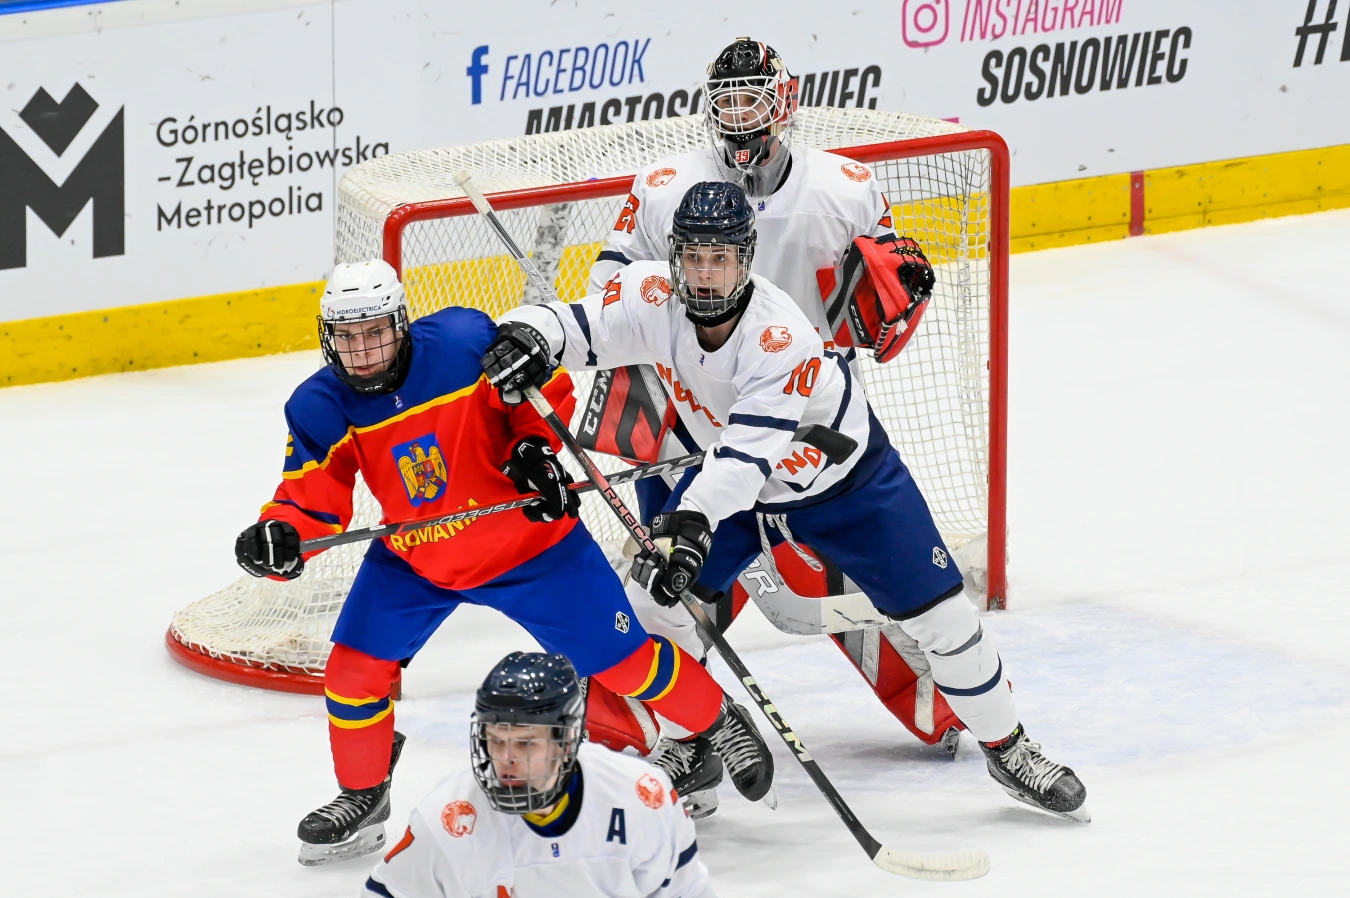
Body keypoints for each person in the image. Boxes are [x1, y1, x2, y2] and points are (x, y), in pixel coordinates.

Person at [483, 182, 1089, 823]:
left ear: (746, 259)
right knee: (653, 609)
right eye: (693, 257)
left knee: (945, 620)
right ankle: (692, 746)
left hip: (843, 485)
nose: (706, 273)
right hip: (735, 487)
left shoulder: (779, 337)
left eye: (721, 259)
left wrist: (688, 523)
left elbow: (746, 458)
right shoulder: (653, 296)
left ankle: (1009, 748)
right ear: (675, 257)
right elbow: (578, 327)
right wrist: (528, 334)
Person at [232, 259, 770, 866]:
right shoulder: (319, 404)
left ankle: (716, 722)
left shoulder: (462, 343)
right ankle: (364, 794)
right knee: (353, 673)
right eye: (347, 337)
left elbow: (541, 392)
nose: (362, 351)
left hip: (531, 547)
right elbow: (309, 497)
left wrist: (534, 450)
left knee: (623, 664)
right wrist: (280, 533)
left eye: (374, 332)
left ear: (401, 324)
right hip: (417, 559)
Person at [586, 35, 968, 776]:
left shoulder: (846, 188)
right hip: (694, 417)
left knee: (838, 571)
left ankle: (942, 703)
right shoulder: (665, 188)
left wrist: (896, 295)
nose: (738, 115)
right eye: (725, 101)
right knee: (671, 589)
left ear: (784, 102)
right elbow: (611, 290)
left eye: (750, 99)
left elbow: (884, 297)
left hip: (806, 423)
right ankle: (666, 741)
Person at [364, 652, 715, 898]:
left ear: (567, 742)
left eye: (525, 743)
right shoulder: (448, 820)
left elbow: (686, 892)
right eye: (496, 740)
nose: (505, 759)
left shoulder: (639, 798)